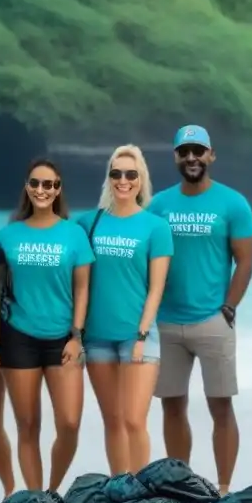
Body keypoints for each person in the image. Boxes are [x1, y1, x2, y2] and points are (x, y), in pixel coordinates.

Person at [150, 125, 252, 495]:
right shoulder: (159, 204)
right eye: (184, 151)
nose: (192, 158)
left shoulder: (233, 203)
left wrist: (229, 305)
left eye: (199, 151)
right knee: (171, 406)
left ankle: (224, 489)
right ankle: (182, 485)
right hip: (165, 322)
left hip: (213, 319)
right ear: (176, 156)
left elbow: (244, 260)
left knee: (221, 406)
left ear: (211, 155)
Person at [0, 159, 93, 491]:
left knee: (69, 423)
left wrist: (77, 336)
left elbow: (82, 288)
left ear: (58, 189)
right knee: (27, 425)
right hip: (17, 337)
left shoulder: (74, 234)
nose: (42, 190)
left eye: (49, 185)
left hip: (63, 338)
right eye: (36, 183)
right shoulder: (7, 235)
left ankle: (52, 490)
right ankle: (37, 499)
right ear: (27, 186)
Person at [80, 145, 173, 476]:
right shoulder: (88, 222)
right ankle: (119, 488)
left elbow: (156, 288)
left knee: (134, 419)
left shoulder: (155, 227)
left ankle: (141, 490)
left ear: (141, 179)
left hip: (138, 336)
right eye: (116, 173)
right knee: (113, 420)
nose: (123, 180)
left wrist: (142, 334)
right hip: (97, 338)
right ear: (108, 178)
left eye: (130, 174)